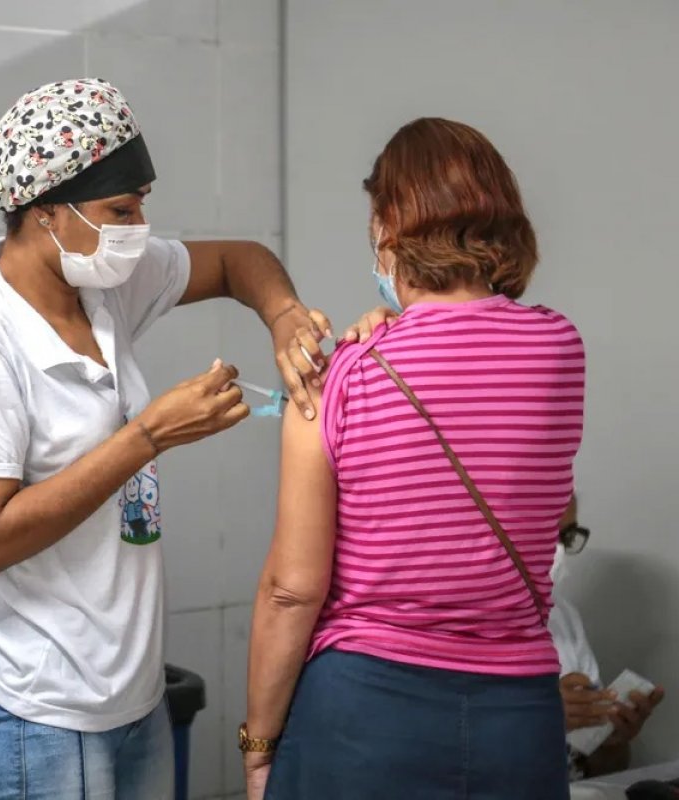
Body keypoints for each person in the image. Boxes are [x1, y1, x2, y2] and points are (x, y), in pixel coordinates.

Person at [0, 78, 336, 800]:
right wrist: (147, 435)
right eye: (121, 208)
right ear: (45, 211)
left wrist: (285, 317)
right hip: (33, 716)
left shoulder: (101, 286)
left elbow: (242, 260)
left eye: (142, 203)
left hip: (131, 704)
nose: (139, 226)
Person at [242, 117, 586, 799]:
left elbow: (291, 588)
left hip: (365, 714)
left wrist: (258, 742)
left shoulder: (344, 373)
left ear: (389, 228)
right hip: (518, 719)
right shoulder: (559, 349)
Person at [553, 496, 665, 778]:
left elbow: (601, 768)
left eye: (566, 538)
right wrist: (533, 717)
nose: (557, 553)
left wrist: (610, 739)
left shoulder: (562, 616)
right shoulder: (443, 624)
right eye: (543, 532)